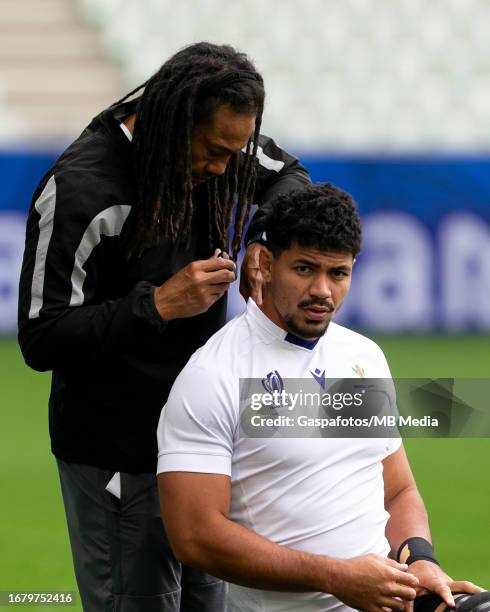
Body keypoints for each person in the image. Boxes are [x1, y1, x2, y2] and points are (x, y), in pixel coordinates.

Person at [17, 42, 310, 611]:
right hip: (118, 453)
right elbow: (40, 335)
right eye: (214, 152)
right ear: (171, 124)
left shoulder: (221, 145)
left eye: (236, 152)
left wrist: (261, 238)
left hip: (203, 448)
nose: (225, 169)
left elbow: (289, 177)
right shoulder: (82, 189)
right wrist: (157, 305)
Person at [156, 183, 484, 611]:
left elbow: (397, 490)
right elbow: (195, 538)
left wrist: (419, 559)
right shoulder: (212, 375)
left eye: (338, 273)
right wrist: (336, 577)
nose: (322, 292)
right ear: (266, 264)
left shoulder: (361, 356)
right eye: (305, 269)